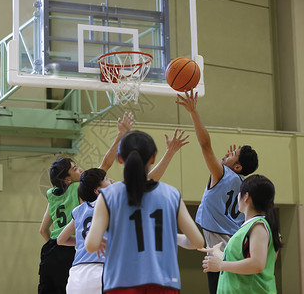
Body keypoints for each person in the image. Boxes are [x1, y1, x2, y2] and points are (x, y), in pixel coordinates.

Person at [58, 129, 191, 294]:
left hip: (76, 276)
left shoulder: (79, 210)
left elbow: (61, 240)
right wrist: (170, 153)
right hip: (103, 272)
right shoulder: (113, 201)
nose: (112, 180)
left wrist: (85, 242)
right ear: (97, 190)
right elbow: (149, 179)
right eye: (107, 179)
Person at [38, 112, 135, 294]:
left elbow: (43, 230)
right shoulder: (81, 188)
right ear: (68, 180)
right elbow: (105, 164)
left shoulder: (52, 194)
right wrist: (120, 136)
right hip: (76, 252)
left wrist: (55, 248)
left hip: (51, 250)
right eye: (75, 169)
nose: (80, 169)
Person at [176, 90, 259, 294]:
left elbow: (205, 145)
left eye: (232, 154)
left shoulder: (221, 175)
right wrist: (230, 161)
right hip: (237, 252)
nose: (227, 154)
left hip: (220, 254)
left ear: (238, 167)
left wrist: (193, 112)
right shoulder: (245, 186)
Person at [199, 174, 282, 294]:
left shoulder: (258, 226)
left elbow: (256, 264)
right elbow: (240, 261)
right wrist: (216, 252)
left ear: (246, 196)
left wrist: (221, 265)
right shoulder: (250, 226)